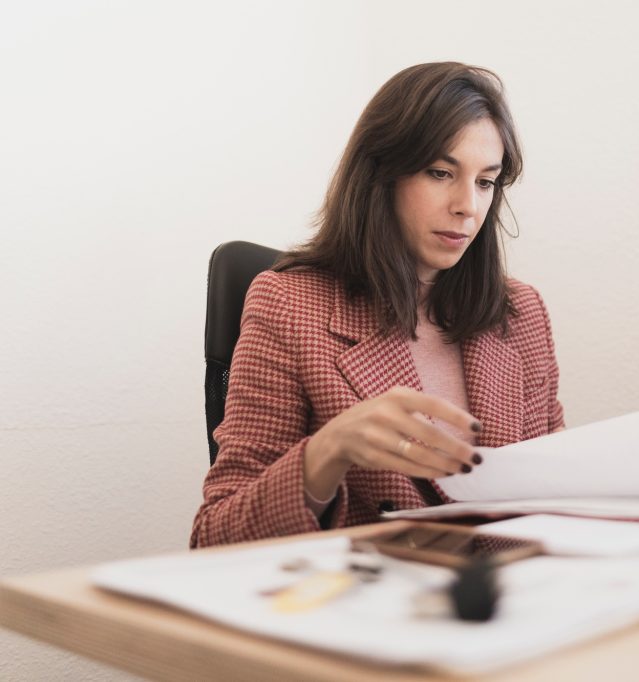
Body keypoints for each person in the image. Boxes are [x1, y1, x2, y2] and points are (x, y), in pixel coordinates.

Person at [191, 63, 564, 548]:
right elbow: (213, 539)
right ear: (381, 174)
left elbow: (557, 498)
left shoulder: (521, 314)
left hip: (511, 604)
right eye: (440, 172)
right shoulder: (287, 305)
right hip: (362, 607)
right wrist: (327, 452)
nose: (468, 206)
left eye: (485, 182)